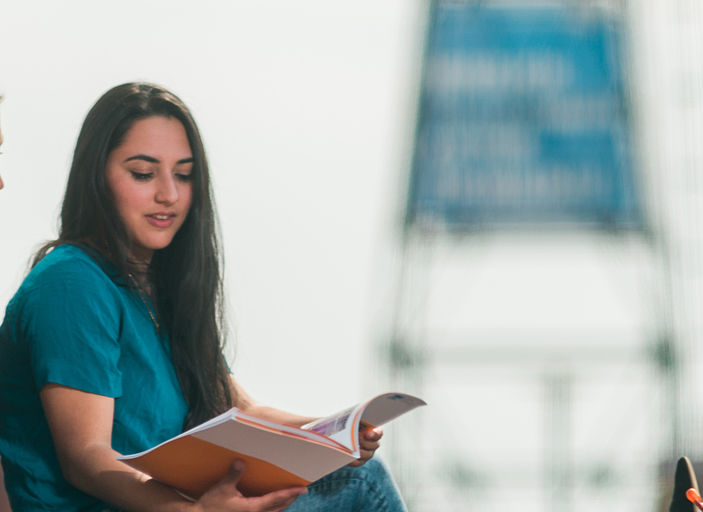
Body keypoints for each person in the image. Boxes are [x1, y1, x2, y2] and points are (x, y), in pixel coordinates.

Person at [0, 83, 407, 511]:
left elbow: (244, 410)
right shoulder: (71, 282)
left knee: (358, 473)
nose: (169, 195)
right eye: (143, 173)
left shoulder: (161, 290)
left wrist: (339, 434)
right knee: (363, 487)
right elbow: (86, 457)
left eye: (183, 174)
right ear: (96, 177)